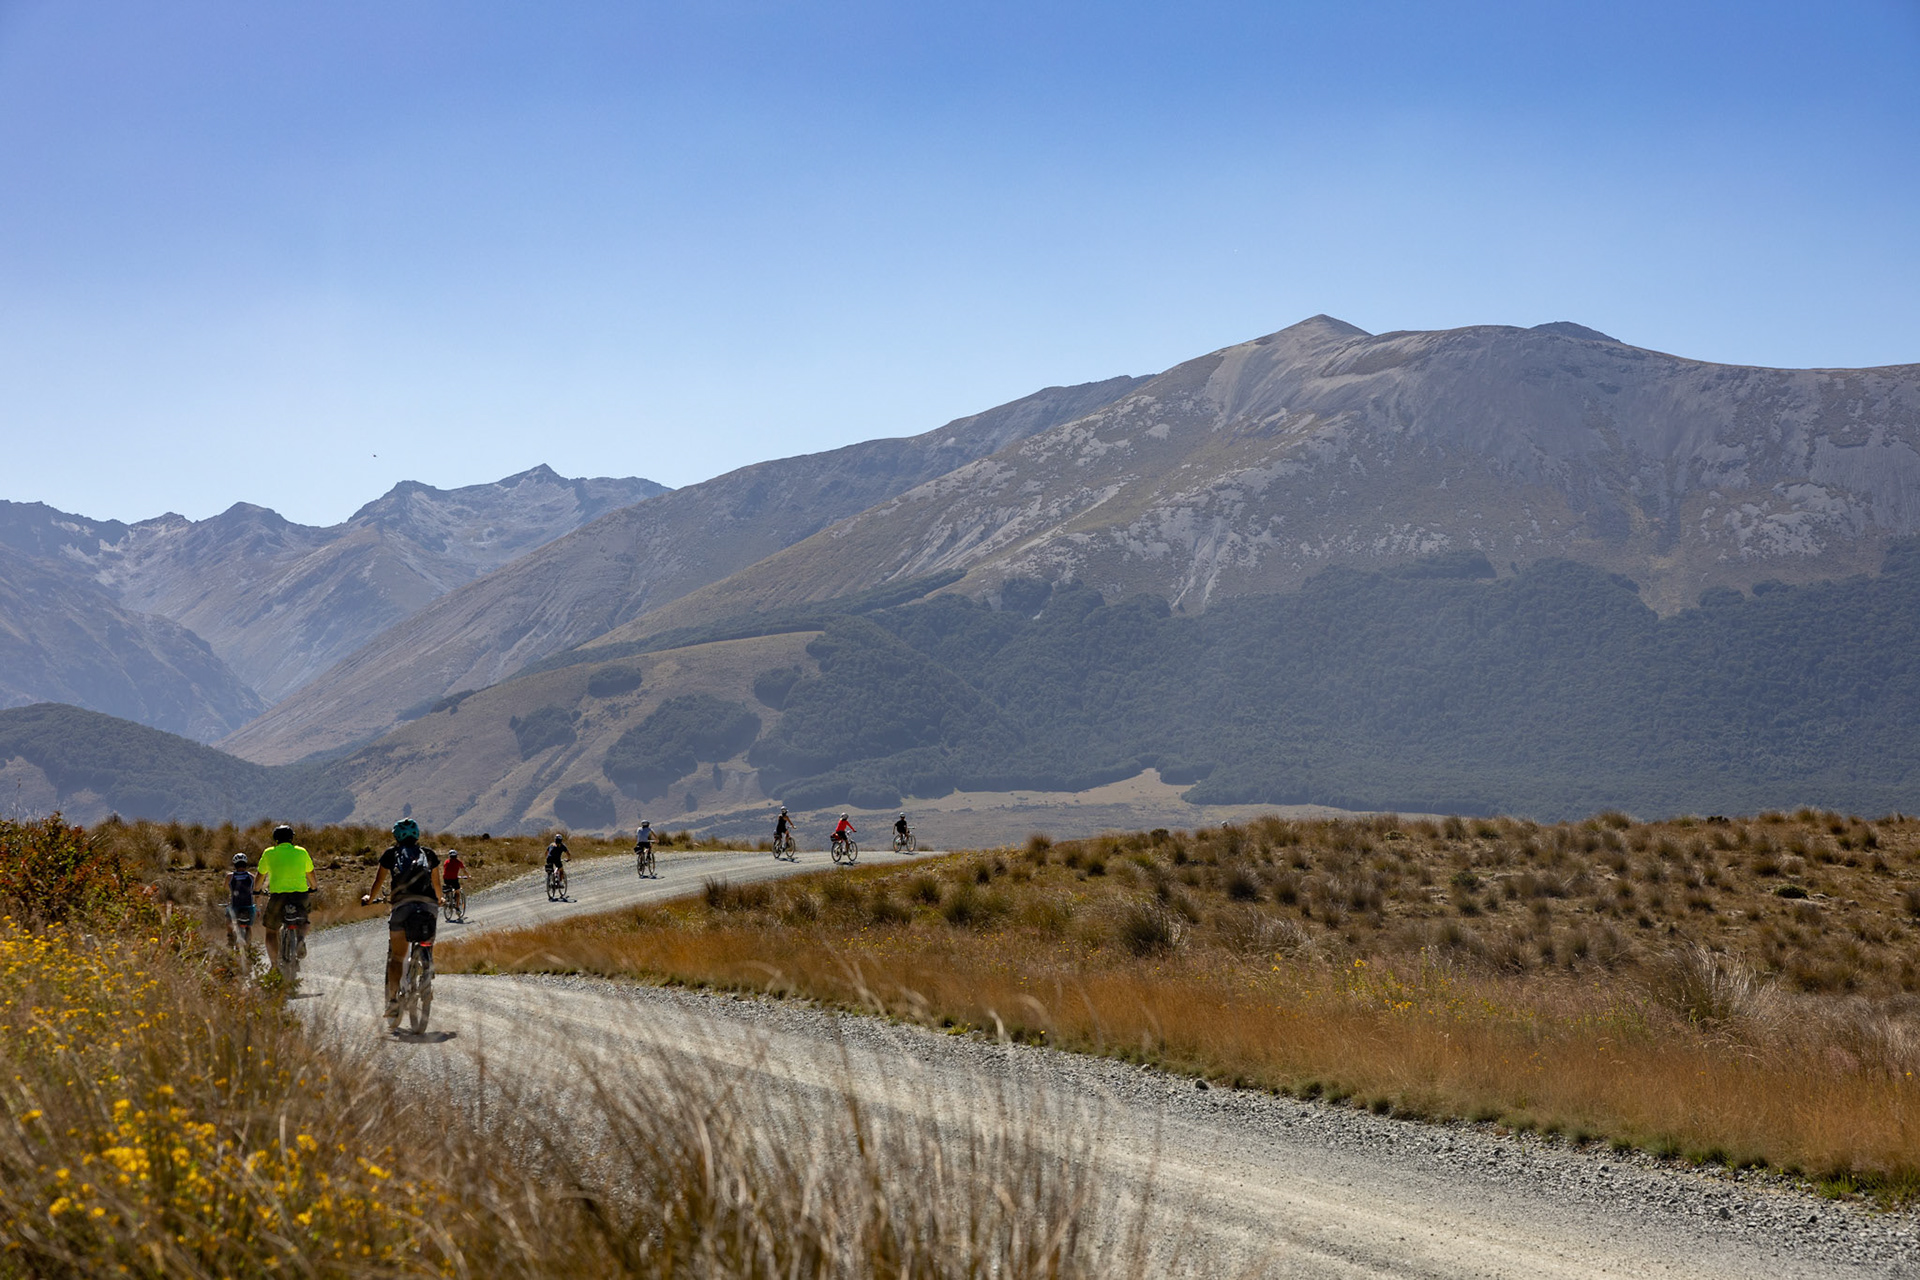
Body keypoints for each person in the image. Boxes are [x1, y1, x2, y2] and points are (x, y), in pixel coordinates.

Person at [360, 818, 442, 1026]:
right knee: (426, 937)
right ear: (417, 834)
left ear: (396, 836)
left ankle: (394, 1002)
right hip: (428, 907)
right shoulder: (428, 854)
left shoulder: (391, 854)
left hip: (402, 907)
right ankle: (427, 970)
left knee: (397, 957)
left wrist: (369, 899)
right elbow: (436, 883)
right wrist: (440, 899)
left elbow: (378, 881)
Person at [256, 824, 315, 964]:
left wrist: (256, 891)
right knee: (304, 919)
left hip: (278, 896)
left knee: (271, 930)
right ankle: (301, 938)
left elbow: (260, 876)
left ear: (275, 839)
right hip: (300, 894)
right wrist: (313, 887)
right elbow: (311, 873)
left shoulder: (268, 853)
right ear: (291, 838)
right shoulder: (302, 852)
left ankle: (274, 965)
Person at [226, 853, 257, 948]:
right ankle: (249, 945)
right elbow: (255, 890)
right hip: (249, 906)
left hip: (235, 905)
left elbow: (225, 890)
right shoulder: (251, 876)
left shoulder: (230, 876)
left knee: (229, 921)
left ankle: (230, 940)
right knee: (249, 926)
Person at [441, 847, 466, 915]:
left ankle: (448, 899)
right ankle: (457, 908)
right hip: (454, 879)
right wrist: (468, 876)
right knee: (457, 892)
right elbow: (464, 870)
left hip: (446, 879)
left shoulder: (446, 862)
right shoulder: (458, 862)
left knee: (448, 888)